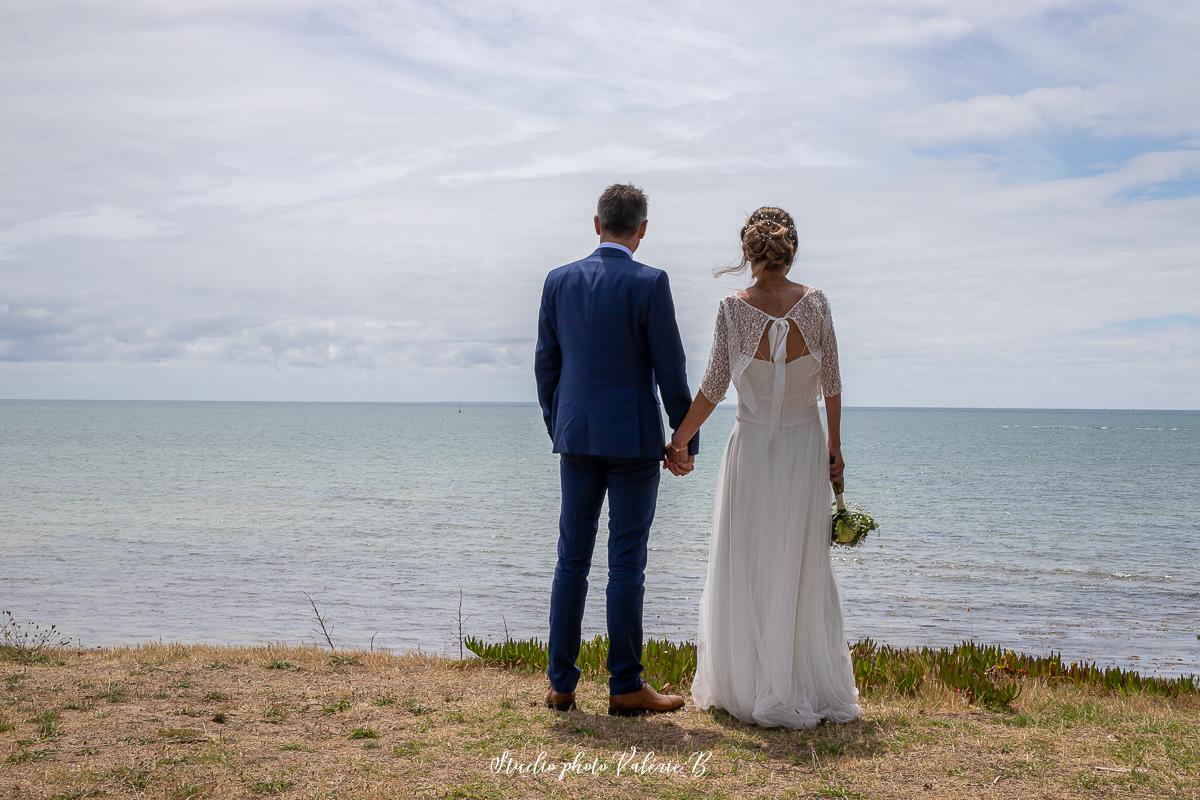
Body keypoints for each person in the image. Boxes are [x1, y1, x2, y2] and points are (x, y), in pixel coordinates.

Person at [664, 206, 863, 729]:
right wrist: (835, 449)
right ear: (790, 250)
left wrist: (678, 440)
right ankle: (798, 678)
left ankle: (751, 681)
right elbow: (834, 383)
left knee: (749, 556)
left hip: (752, 448)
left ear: (748, 253)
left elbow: (712, 388)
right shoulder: (815, 304)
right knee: (798, 561)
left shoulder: (734, 309)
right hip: (803, 446)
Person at [534, 183, 698, 716]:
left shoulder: (558, 281)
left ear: (596, 222)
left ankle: (561, 684)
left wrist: (560, 424)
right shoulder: (650, 282)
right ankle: (625, 685)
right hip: (631, 440)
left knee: (571, 561)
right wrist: (684, 439)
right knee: (627, 564)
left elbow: (547, 365)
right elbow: (670, 368)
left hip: (577, 435)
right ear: (642, 230)